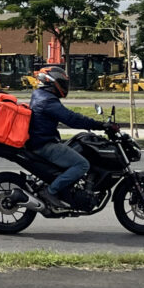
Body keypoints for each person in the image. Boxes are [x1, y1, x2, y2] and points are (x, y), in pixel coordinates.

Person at [26, 66, 118, 209]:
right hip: (44, 144)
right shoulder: (48, 101)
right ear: (52, 82)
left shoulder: (40, 95)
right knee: (82, 164)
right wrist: (100, 125)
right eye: (62, 82)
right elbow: (71, 119)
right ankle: (50, 192)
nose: (65, 86)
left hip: (40, 141)